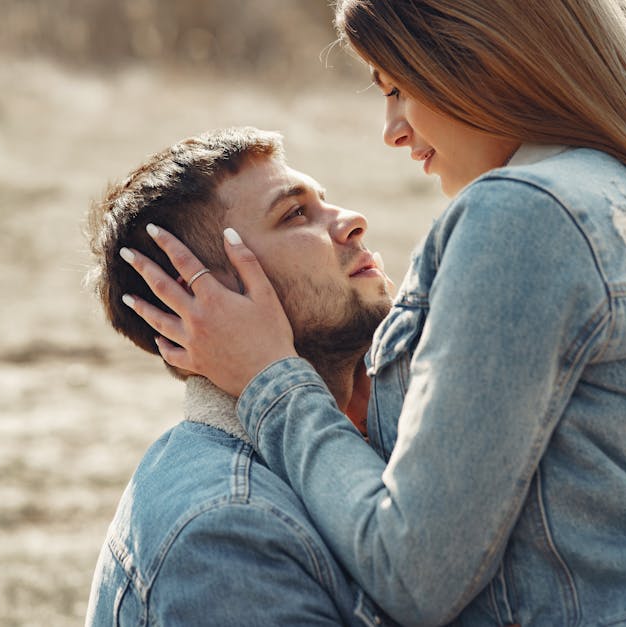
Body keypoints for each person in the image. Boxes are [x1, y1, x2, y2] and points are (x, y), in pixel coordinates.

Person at [122, 1, 626, 625]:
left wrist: (273, 376)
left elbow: (415, 571)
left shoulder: (526, 214)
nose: (391, 130)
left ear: (473, 55)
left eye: (395, 87)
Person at [83, 127, 396, 626]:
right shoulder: (224, 531)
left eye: (325, 202)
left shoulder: (393, 417)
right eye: (295, 214)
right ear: (204, 300)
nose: (353, 221)